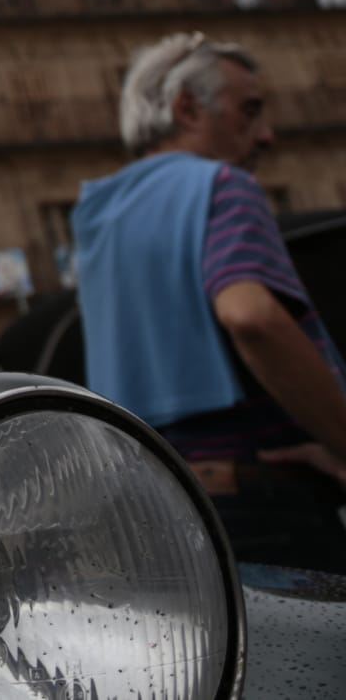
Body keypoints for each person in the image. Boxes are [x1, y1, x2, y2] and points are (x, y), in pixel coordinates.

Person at [75, 33, 346, 572]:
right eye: (249, 110)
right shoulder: (222, 184)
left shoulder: (98, 213)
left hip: (155, 511)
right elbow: (251, 316)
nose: (266, 135)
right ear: (187, 107)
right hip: (261, 508)